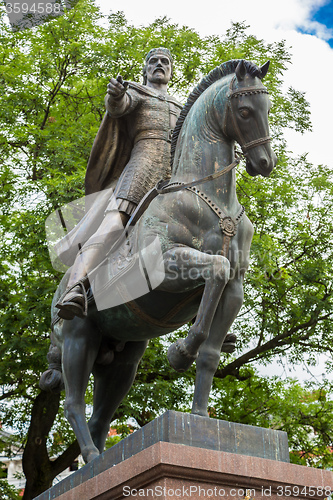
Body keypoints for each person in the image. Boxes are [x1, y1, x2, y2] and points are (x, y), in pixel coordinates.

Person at [56, 48, 183, 320]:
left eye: (165, 62)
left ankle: (203, 303)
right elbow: (119, 106)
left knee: (190, 232)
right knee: (115, 223)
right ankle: (74, 287)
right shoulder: (136, 92)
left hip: (173, 176)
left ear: (171, 71)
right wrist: (115, 94)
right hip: (141, 165)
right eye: (153, 62)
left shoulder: (180, 107)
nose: (159, 65)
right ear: (146, 70)